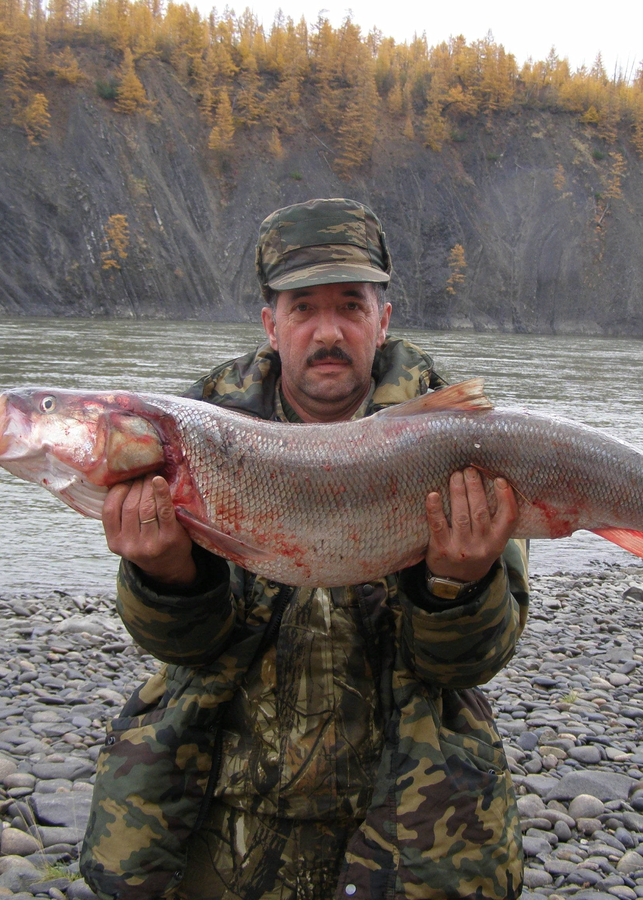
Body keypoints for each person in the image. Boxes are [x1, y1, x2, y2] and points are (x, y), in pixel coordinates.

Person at [80, 198, 530, 900]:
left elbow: (473, 660)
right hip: (222, 807)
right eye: (302, 308)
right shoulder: (191, 433)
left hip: (408, 816)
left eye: (351, 306)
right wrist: (167, 576)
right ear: (270, 323)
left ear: (383, 319)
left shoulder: (461, 436)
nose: (328, 331)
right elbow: (179, 646)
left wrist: (456, 585)